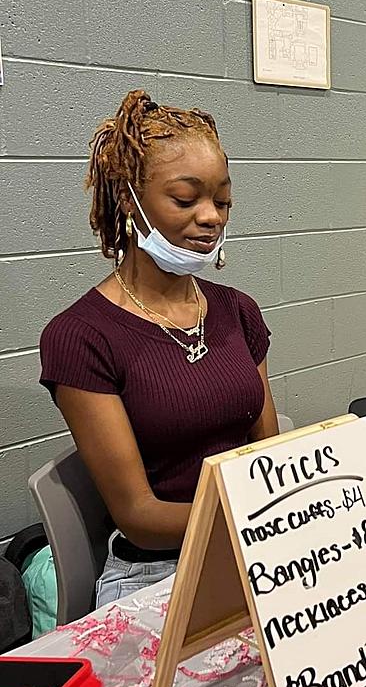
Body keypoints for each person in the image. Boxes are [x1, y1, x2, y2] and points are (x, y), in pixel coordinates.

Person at [40, 91, 278, 605]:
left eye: (223, 200)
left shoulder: (237, 311)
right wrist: (268, 522)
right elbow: (140, 518)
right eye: (186, 199)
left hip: (257, 548)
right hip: (156, 571)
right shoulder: (81, 337)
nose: (212, 216)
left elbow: (266, 457)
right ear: (129, 200)